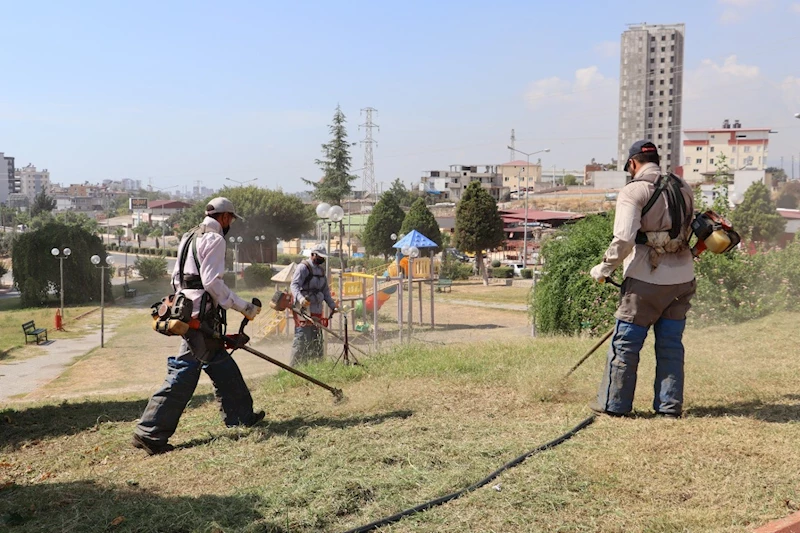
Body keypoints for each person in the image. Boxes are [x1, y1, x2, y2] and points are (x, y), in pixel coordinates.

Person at [133, 197, 264, 455]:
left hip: (186, 308)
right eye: (231, 220)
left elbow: (176, 277)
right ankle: (149, 432)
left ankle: (241, 417)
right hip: (199, 316)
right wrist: (242, 306)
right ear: (225, 217)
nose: (231, 225)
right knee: (183, 373)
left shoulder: (190, 236)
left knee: (221, 364)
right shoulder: (214, 239)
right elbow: (212, 283)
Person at [589, 141, 696, 419]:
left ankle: (615, 406)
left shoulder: (633, 190)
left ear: (633, 164)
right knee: (671, 345)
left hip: (646, 281)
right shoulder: (683, 187)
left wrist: (604, 268)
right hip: (683, 279)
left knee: (625, 345)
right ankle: (669, 408)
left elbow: (624, 239)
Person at [290, 244, 338, 366]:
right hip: (304, 308)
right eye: (320, 256)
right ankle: (295, 367)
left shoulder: (321, 272)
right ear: (313, 255)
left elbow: (325, 291)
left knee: (316, 338)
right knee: (302, 338)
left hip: (317, 308)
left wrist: (333, 306)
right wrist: (300, 299)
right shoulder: (303, 268)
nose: (321, 259)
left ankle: (315, 366)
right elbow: (294, 286)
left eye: (323, 257)